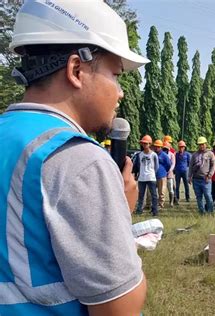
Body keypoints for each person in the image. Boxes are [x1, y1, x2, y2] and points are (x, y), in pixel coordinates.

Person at [0, 1, 148, 314]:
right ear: (76, 70)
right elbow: (119, 308)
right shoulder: (77, 158)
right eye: (116, 74)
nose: (120, 92)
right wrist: (120, 212)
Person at [189, 137, 215, 215]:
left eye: (202, 144)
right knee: (199, 197)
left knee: (208, 196)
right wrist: (189, 177)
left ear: (206, 144)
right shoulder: (194, 155)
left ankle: (211, 212)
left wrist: (210, 175)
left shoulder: (210, 154)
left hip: (206, 179)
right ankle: (202, 212)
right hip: (196, 179)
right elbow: (190, 166)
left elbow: (213, 165)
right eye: (200, 144)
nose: (201, 146)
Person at [134, 135, 159, 216]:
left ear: (150, 144)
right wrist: (137, 174)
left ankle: (154, 211)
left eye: (146, 143)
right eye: (143, 143)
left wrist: (152, 173)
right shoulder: (139, 155)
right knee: (141, 195)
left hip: (151, 177)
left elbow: (156, 166)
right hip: (142, 178)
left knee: (154, 195)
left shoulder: (154, 155)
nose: (144, 145)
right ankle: (139, 211)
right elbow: (137, 166)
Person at [153, 139, 171, 209]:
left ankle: (161, 204)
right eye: (155, 146)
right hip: (153, 176)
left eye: (158, 147)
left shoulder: (164, 155)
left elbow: (168, 164)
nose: (156, 148)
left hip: (161, 175)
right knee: (151, 191)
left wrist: (164, 171)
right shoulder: (153, 154)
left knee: (161, 191)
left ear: (161, 147)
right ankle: (150, 204)